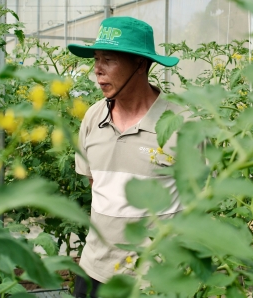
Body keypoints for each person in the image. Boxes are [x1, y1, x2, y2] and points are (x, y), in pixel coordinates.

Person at [67, 17, 184, 298]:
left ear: (140, 64)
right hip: (95, 271)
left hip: (154, 280)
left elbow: (202, 197)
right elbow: (97, 183)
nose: (97, 70)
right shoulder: (93, 117)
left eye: (108, 59)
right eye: (96, 59)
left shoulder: (181, 123)